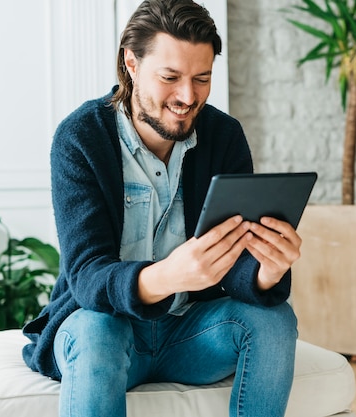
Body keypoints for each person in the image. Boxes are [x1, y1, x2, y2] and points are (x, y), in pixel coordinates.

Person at [21, 1, 302, 416]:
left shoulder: (224, 136)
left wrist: (266, 271)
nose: (187, 97)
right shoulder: (80, 138)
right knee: (99, 328)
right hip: (107, 332)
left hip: (189, 334)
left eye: (202, 79)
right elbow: (86, 277)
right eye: (170, 77)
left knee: (275, 320)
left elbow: (237, 263)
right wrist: (167, 275)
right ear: (131, 63)